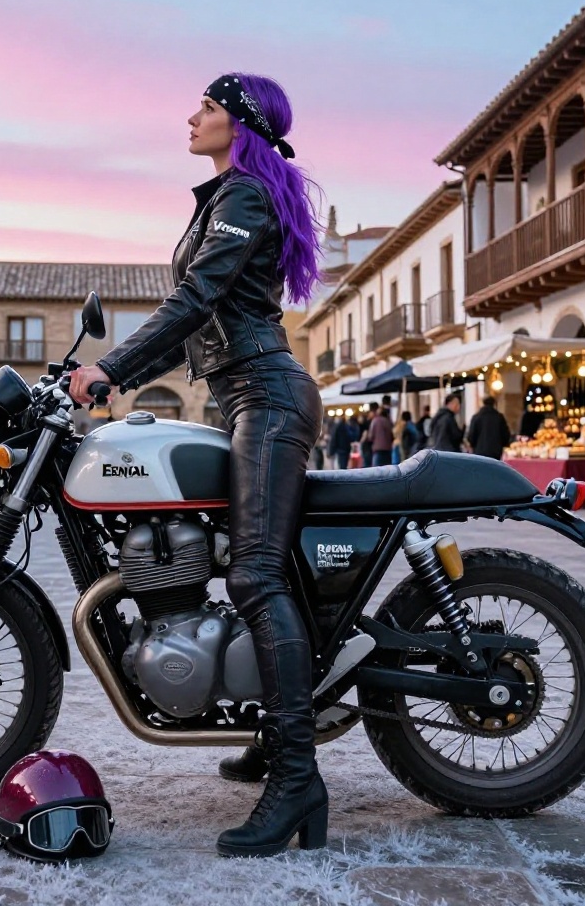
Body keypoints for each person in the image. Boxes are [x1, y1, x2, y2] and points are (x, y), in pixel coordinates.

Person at [68, 72, 327, 858]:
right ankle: (264, 727)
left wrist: (111, 367)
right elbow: (200, 322)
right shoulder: (228, 197)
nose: (192, 115)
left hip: (268, 398)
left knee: (253, 575)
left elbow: (198, 302)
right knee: (234, 563)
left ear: (239, 121)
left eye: (208, 106)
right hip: (241, 394)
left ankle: (296, 780)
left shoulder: (243, 195)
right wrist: (125, 370)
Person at [466, 395, 512, 460]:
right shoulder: (499, 417)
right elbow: (505, 435)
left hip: (479, 451)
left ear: (483, 403)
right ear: (494, 404)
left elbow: (471, 436)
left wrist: (473, 445)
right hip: (496, 452)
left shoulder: (476, 417)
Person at [359, 402, 379, 468]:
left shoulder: (371, 421)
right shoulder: (372, 421)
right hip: (369, 445)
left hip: (369, 445)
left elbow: (365, 433)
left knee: (367, 464)